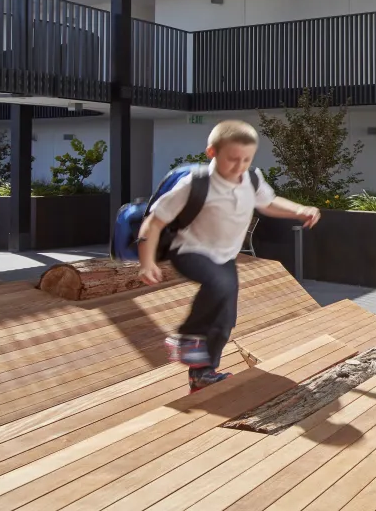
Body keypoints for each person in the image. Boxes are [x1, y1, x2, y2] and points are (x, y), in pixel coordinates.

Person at [137, 120, 321, 392]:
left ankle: (203, 374)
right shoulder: (195, 184)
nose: (239, 167)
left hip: (224, 258)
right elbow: (154, 223)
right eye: (232, 159)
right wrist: (147, 262)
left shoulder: (252, 179)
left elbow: (268, 203)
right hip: (189, 251)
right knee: (218, 285)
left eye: (246, 159)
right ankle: (186, 339)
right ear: (212, 153)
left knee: (224, 319)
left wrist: (299, 209)